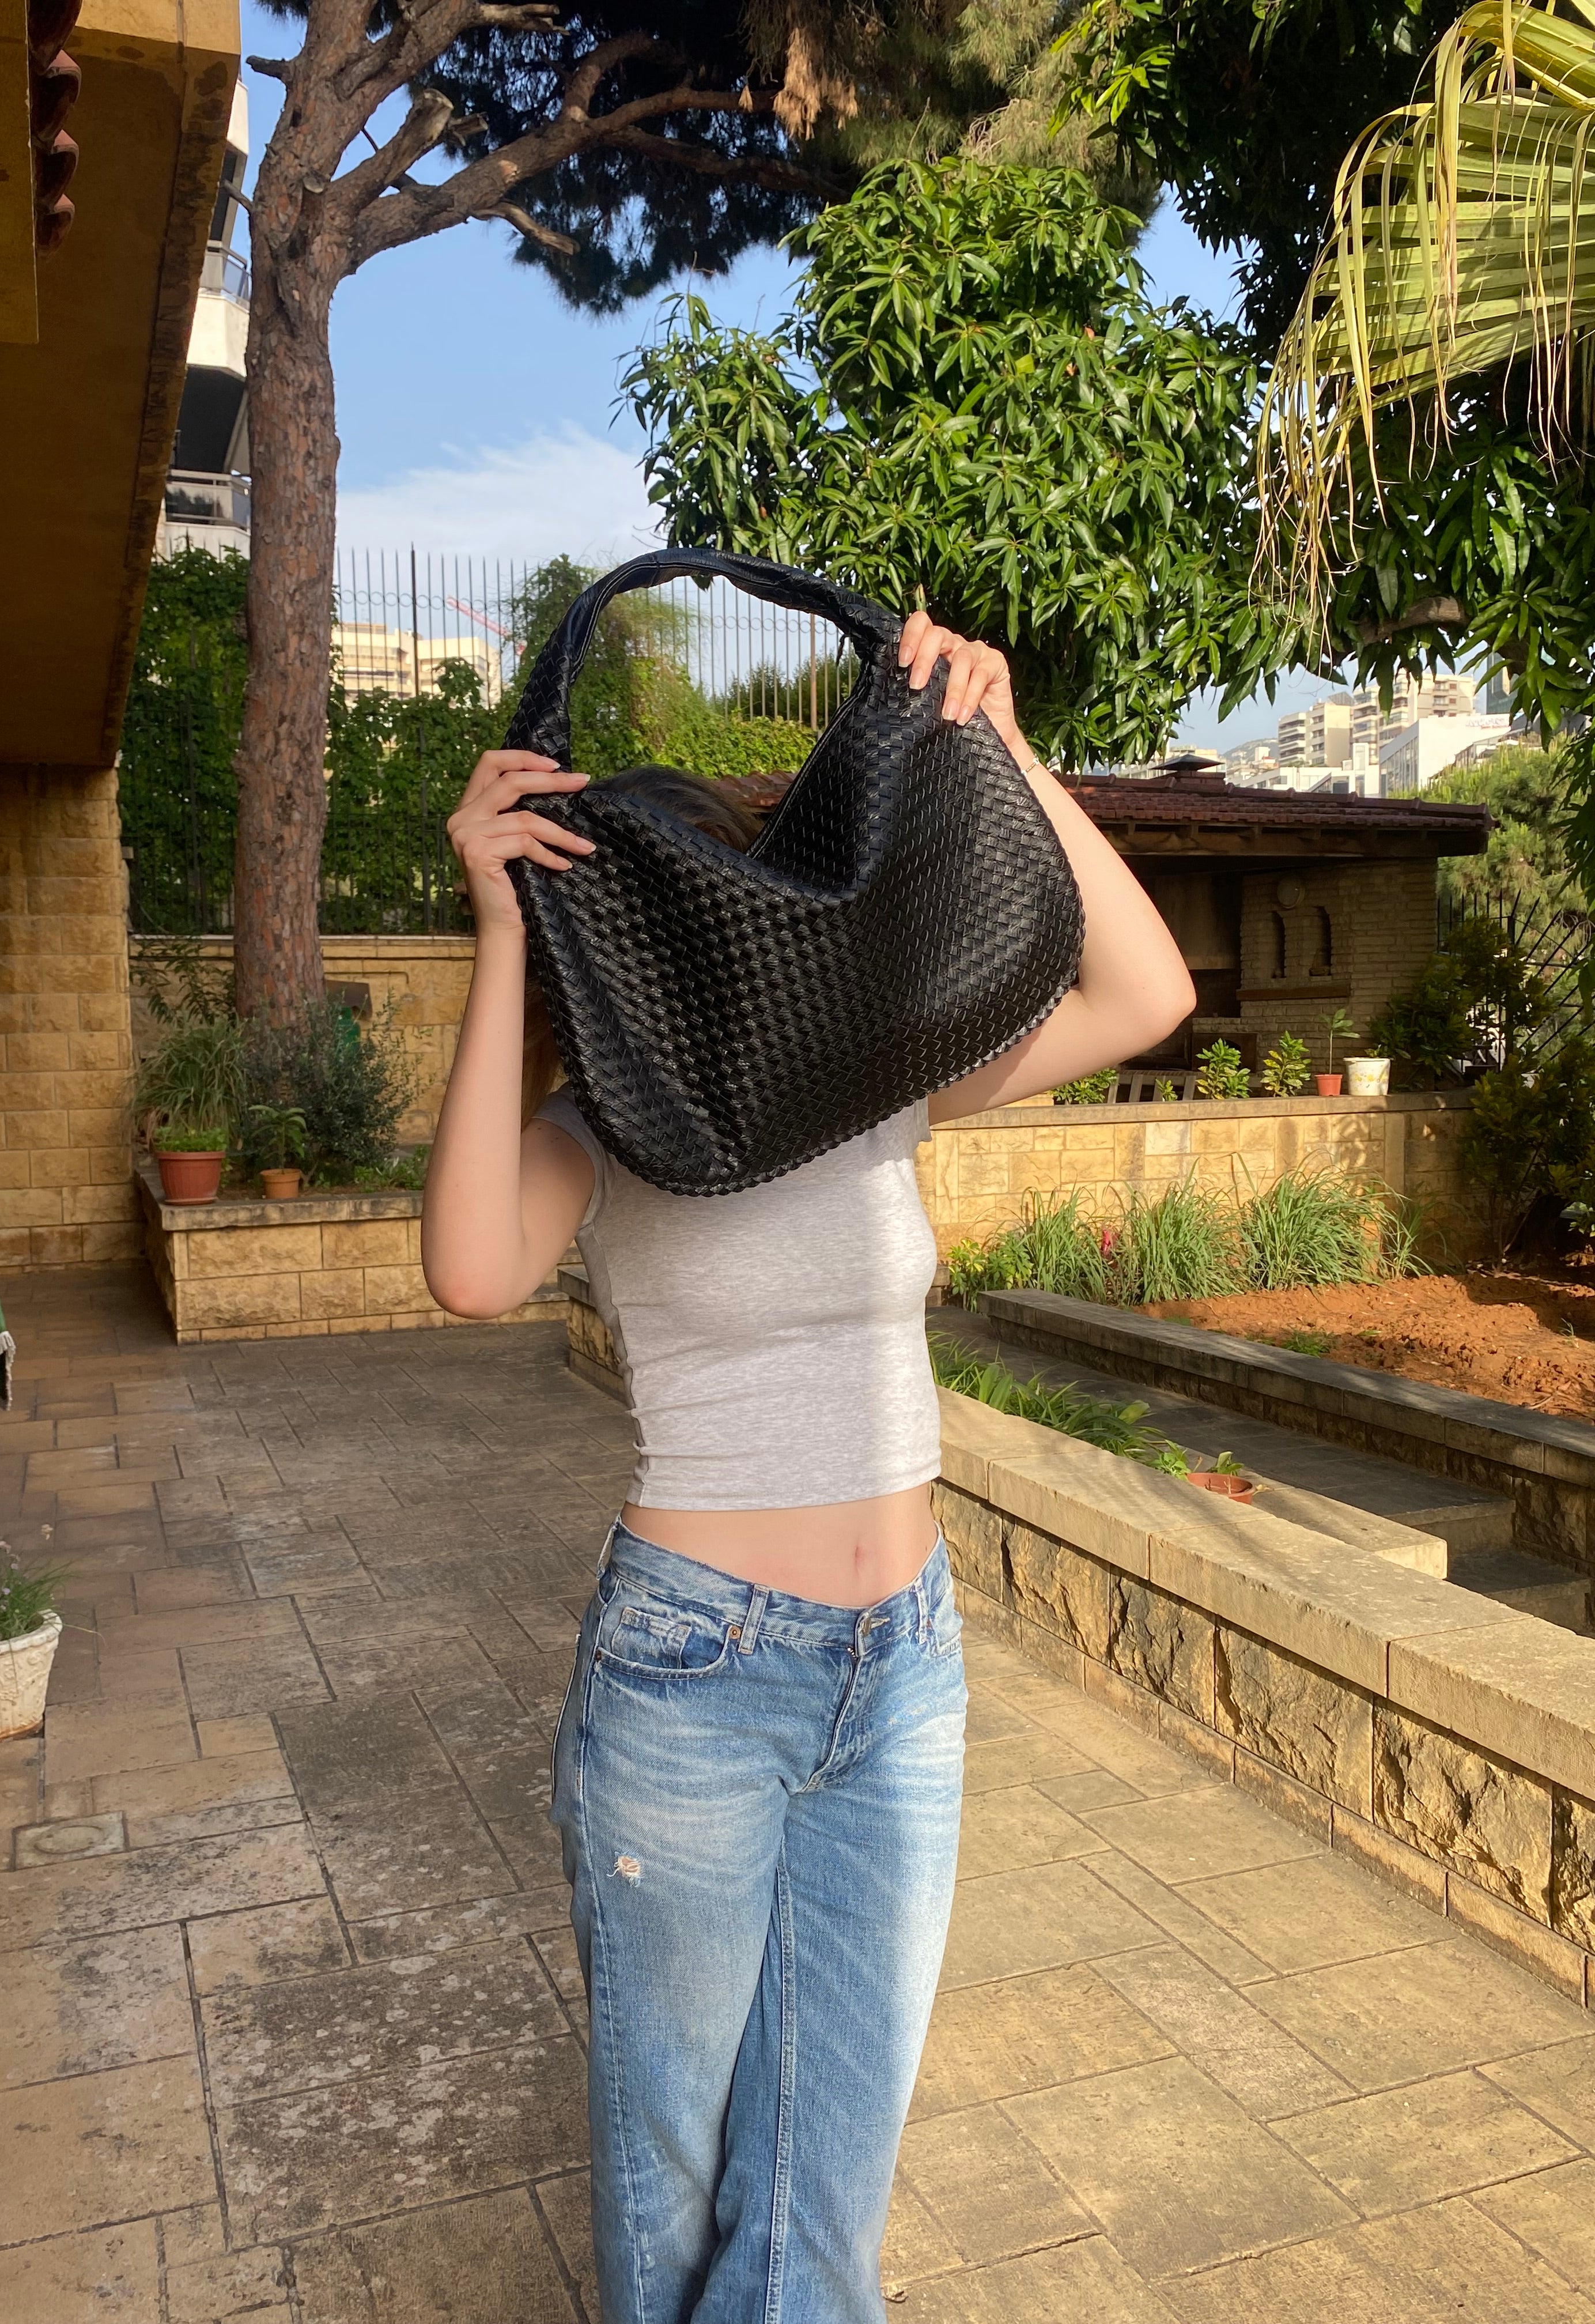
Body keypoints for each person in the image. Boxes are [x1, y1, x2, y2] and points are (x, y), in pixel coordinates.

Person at [424, 613, 1195, 2324]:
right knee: (673, 2172)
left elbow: (1145, 995)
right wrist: (500, 925)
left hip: (903, 1667)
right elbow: (471, 1268)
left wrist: (1001, 743)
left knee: (826, 2196)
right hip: (692, 1680)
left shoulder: (873, 1086)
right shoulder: (606, 1132)